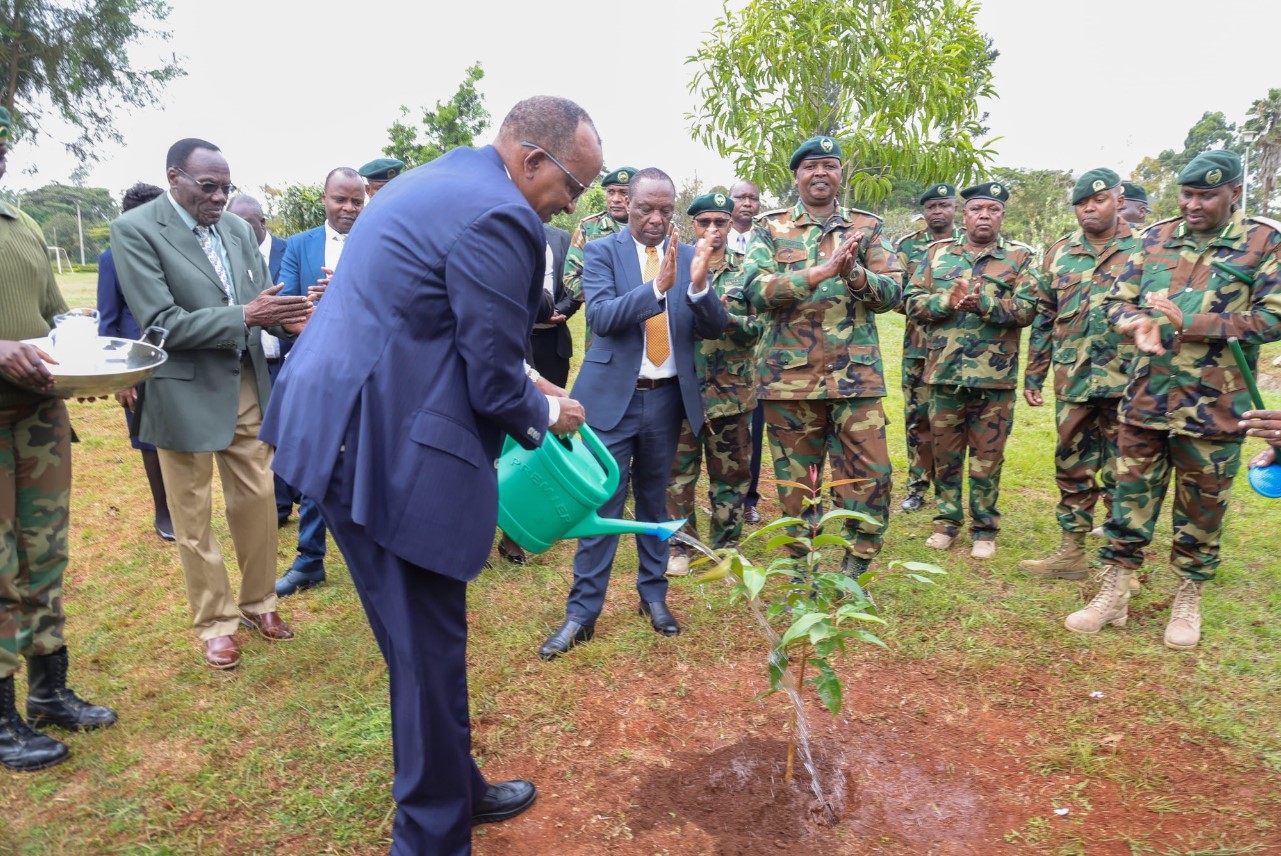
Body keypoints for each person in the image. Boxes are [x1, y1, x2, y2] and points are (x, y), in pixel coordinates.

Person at [261, 96, 598, 853]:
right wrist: (544, 413)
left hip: (340, 425)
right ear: (533, 161)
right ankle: (430, 835)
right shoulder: (505, 217)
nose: (570, 204)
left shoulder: (437, 180)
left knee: (414, 648)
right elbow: (488, 378)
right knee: (424, 656)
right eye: (572, 188)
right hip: (384, 450)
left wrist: (522, 379)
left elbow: (435, 319)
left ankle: (457, 785)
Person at [1065, 150, 1281, 650]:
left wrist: (1196, 325)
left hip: (1215, 403)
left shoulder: (1263, 243)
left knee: (1202, 506)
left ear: (1234, 193)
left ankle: (1189, 595)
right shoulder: (1155, 239)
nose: (1194, 204)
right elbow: (1117, 302)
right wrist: (1134, 322)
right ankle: (1114, 591)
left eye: (1207, 195)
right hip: (1146, 395)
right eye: (1187, 194)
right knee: (1130, 498)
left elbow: (1272, 317)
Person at [111, 138, 311, 670]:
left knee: (258, 499)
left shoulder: (239, 229)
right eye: (209, 186)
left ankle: (259, 602)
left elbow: (267, 300)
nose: (220, 197)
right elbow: (160, 322)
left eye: (227, 187)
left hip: (245, 383)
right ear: (174, 177)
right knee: (192, 514)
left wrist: (299, 312)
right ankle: (215, 623)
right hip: (180, 389)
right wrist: (245, 316)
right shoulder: (136, 230)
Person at [539, 168, 728, 658]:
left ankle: (654, 597)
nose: (656, 219)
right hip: (610, 402)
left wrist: (701, 287)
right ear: (631, 206)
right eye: (647, 208)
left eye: (666, 210)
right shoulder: (603, 251)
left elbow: (714, 328)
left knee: (654, 503)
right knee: (602, 504)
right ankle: (582, 614)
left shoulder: (690, 256)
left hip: (666, 400)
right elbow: (601, 316)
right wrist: (657, 289)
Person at [0, 105, 118, 772]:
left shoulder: (19, 226)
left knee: (43, 556)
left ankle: (49, 692)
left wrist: (87, 363)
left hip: (38, 418)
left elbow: (52, 315)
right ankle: (2, 719)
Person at [743, 136, 902, 577]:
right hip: (789, 380)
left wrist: (854, 273)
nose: (820, 173)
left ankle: (856, 565)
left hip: (856, 378)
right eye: (810, 166)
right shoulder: (769, 228)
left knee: (872, 473)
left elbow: (893, 291)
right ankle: (801, 569)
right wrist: (817, 273)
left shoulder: (866, 227)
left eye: (829, 165)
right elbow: (754, 290)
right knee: (797, 482)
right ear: (796, 175)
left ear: (840, 174)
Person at [904, 181, 1037, 560]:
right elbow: (912, 302)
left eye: (992, 210)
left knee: (988, 456)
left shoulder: (1019, 258)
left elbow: (1027, 309)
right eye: (977, 209)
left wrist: (985, 305)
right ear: (964, 215)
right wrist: (948, 300)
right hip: (943, 373)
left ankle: (984, 528)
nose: (984, 216)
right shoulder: (937, 255)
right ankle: (947, 522)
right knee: (945, 453)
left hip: (994, 378)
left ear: (1001, 216)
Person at [1020, 169, 1140, 582]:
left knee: (1126, 471)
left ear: (1119, 200)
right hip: (1073, 379)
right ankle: (1071, 552)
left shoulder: (1145, 249)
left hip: (1129, 381)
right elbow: (1044, 317)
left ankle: (1121, 563)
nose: (1089, 208)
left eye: (1099, 199)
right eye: (1081, 203)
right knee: (1071, 463)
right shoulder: (1059, 253)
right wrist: (1033, 375)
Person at [273, 167, 365, 597]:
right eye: (340, 200)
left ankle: (379, 552)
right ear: (324, 199)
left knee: (374, 459)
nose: (348, 209)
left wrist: (345, 299)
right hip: (317, 371)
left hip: (371, 370)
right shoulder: (298, 245)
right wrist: (319, 314)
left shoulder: (381, 239)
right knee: (315, 461)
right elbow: (285, 310)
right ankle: (310, 559)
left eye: (356, 201)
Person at [665, 192, 760, 575]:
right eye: (704, 222)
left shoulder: (747, 270)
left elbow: (755, 329)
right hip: (682, 390)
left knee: (732, 474)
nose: (712, 230)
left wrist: (716, 307)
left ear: (731, 223)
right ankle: (681, 546)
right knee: (677, 473)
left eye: (721, 222)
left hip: (731, 393)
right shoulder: (675, 267)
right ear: (693, 225)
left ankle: (727, 545)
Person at [98, 182, 173, 541]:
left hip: (177, 355)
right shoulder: (111, 257)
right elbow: (108, 321)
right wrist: (120, 378)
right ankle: (163, 511)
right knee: (147, 440)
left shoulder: (172, 248)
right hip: (136, 363)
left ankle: (185, 505)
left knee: (180, 434)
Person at [894, 183, 962, 513]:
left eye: (944, 205)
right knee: (917, 418)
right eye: (932, 206)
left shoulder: (968, 246)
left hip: (959, 350)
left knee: (952, 421)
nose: (938, 212)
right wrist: (934, 304)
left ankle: (950, 489)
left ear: (955, 209)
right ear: (924, 212)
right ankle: (917, 484)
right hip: (919, 348)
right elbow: (898, 296)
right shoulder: (908, 247)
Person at [226, 194, 293, 523]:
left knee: (292, 431)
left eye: (245, 223)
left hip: (288, 358)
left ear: (262, 223)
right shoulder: (225, 254)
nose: (237, 229)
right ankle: (278, 506)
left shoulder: (288, 250)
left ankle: (301, 494)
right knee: (264, 437)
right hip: (252, 363)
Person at [727, 178, 767, 523]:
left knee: (753, 430)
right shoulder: (710, 237)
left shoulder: (767, 240)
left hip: (760, 353)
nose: (747, 203)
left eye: (753, 198)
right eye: (740, 197)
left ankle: (749, 499)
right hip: (720, 352)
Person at [562, 165, 635, 347]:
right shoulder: (589, 228)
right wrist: (609, 294)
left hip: (646, 326)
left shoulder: (658, 228)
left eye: (623, 193)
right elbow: (570, 281)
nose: (616, 199)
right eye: (610, 192)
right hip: (603, 333)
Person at [529, 223, 576, 388]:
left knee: (554, 407)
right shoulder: (504, 235)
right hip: (516, 340)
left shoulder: (562, 238)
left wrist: (554, 311)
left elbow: (574, 290)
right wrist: (538, 314)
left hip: (553, 345)